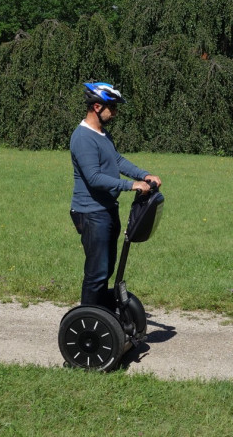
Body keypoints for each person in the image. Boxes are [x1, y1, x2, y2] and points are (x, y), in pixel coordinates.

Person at [69, 82, 161, 308]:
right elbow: (94, 177)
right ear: (97, 107)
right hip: (90, 212)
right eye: (113, 108)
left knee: (107, 269)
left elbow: (117, 160)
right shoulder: (82, 137)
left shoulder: (101, 134)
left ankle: (102, 314)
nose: (115, 113)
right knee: (97, 272)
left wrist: (144, 174)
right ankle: (89, 320)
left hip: (107, 210)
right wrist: (131, 185)